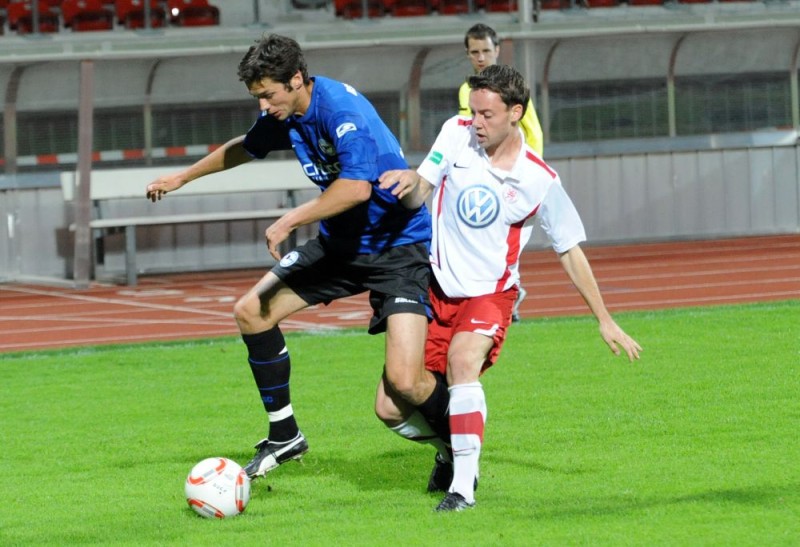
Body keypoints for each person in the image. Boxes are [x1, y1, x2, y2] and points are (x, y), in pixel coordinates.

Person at [145, 34, 450, 481]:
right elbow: (246, 146)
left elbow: (356, 188)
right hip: (341, 247)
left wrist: (290, 220)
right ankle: (285, 435)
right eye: (257, 96)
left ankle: (458, 450)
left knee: (405, 383)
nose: (263, 105)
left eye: (268, 94)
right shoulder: (285, 111)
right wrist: (182, 178)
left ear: (295, 79)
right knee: (251, 311)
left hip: (396, 249)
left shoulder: (341, 112)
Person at [375, 64, 642, 511]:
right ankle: (449, 450)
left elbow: (569, 249)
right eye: (473, 112)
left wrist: (604, 318)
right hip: (435, 287)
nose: (476, 123)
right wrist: (408, 185)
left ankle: (463, 489)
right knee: (389, 406)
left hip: (489, 295)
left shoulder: (539, 179)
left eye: (487, 115)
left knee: (463, 363)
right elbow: (423, 185)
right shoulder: (455, 133)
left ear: (515, 112)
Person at [460, 23, 544, 323]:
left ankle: (506, 290)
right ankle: (501, 291)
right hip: (483, 174)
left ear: (497, 50)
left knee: (507, 237)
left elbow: (533, 131)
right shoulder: (467, 90)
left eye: (486, 50)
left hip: (512, 174)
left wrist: (529, 170)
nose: (481, 57)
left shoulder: (511, 88)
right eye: (475, 52)